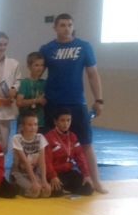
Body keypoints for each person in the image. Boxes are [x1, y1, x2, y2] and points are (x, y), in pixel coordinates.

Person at [40, 13, 106, 193]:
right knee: (47, 144)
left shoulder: (84, 47)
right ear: (55, 28)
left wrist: (99, 99)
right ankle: (47, 179)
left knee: (86, 142)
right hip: (53, 103)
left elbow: (93, 74)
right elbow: (36, 72)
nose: (66, 28)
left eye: (69, 25)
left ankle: (96, 181)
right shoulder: (47, 49)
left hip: (76, 102)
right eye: (62, 25)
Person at [45, 108, 93, 196]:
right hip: (55, 174)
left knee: (88, 188)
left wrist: (86, 174)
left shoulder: (73, 137)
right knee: (57, 192)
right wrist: (52, 176)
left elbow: (80, 156)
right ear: (55, 122)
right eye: (62, 120)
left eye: (68, 120)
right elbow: (47, 161)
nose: (66, 124)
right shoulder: (49, 137)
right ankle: (64, 189)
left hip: (68, 173)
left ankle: (66, 189)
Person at [11, 112, 51, 198]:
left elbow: (42, 162)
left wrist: (44, 181)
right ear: (22, 126)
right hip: (19, 173)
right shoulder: (17, 138)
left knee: (46, 192)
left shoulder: (40, 137)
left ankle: (35, 183)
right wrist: (34, 182)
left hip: (34, 172)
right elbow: (25, 162)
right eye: (29, 125)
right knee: (34, 192)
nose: (33, 127)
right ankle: (16, 186)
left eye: (35, 124)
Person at [16, 52, 48, 132]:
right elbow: (19, 102)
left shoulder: (44, 83)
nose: (40, 68)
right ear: (29, 66)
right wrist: (36, 100)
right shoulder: (25, 82)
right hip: (25, 123)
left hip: (39, 123)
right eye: (36, 65)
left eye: (42, 65)